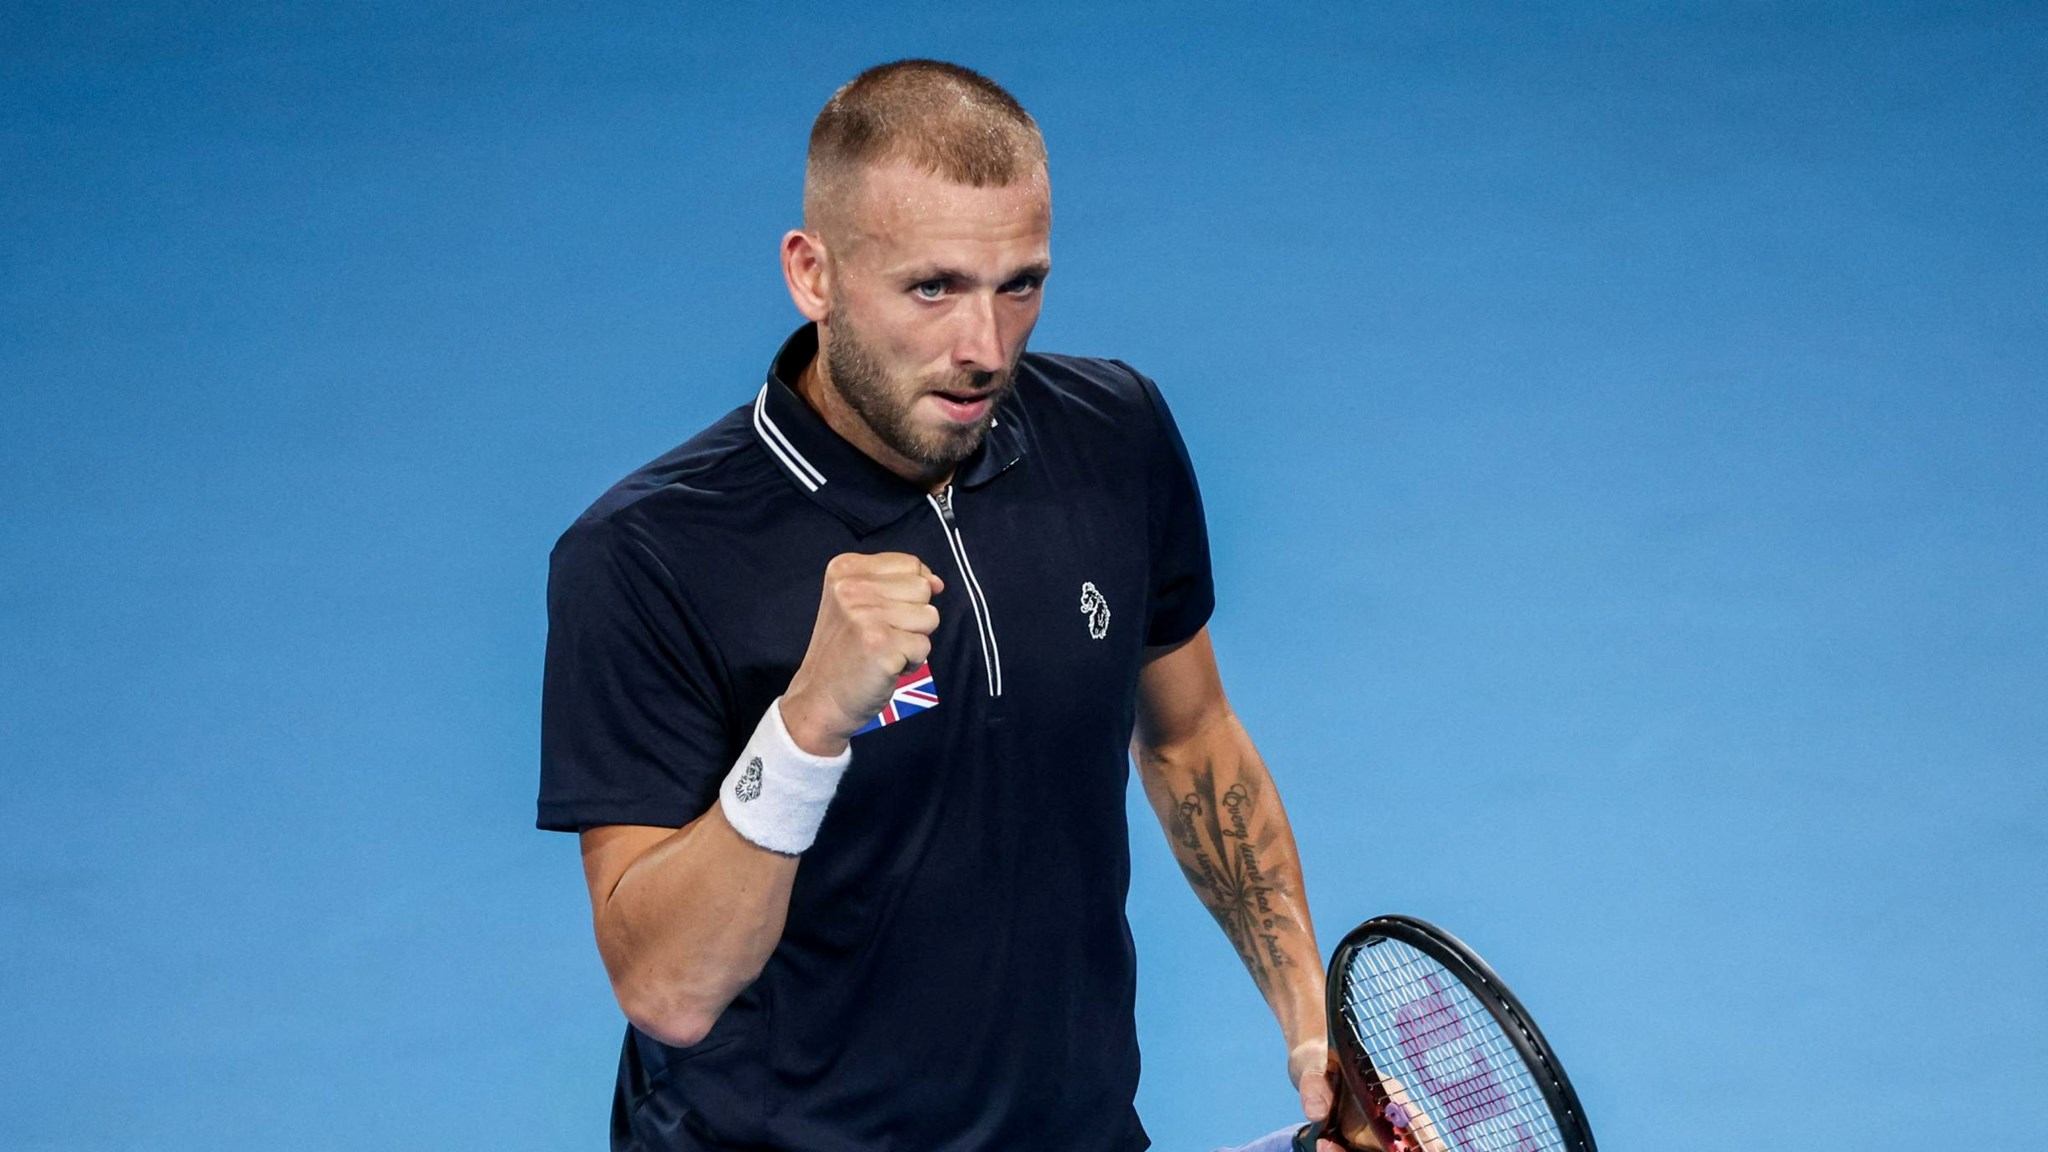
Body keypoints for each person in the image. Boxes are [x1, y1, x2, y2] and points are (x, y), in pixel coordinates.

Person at [539, 59, 1341, 1152]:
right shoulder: (645, 554)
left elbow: (1190, 736)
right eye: (932, 289)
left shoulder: (1115, 436)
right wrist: (805, 726)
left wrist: (1309, 1024)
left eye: (1019, 285)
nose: (985, 350)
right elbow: (667, 990)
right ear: (812, 274)